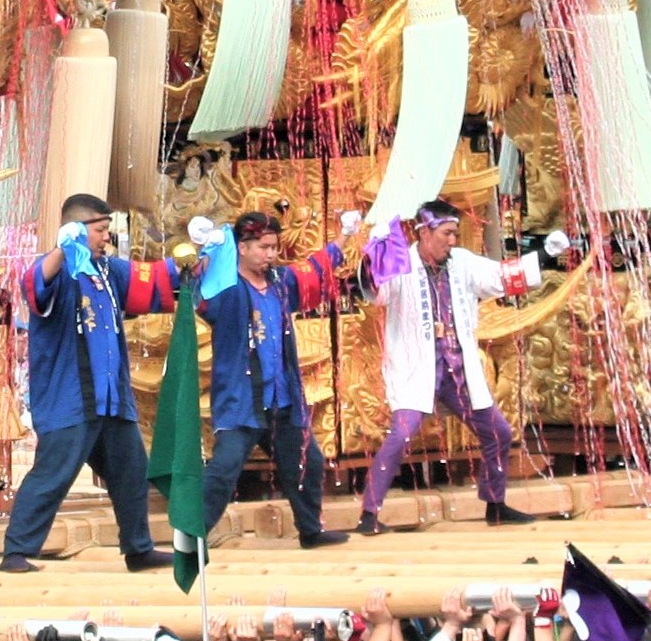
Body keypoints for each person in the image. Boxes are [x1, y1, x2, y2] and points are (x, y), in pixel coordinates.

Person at [355, 201, 557, 533]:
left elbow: (501, 277)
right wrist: (371, 256)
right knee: (401, 434)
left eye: (455, 234)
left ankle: (495, 504)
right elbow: (375, 290)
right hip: (417, 368)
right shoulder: (401, 263)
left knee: (498, 432)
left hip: (457, 369)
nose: (452, 240)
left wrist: (545, 254)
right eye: (447, 233)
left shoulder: (461, 262)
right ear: (425, 231)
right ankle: (369, 514)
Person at [2, 195, 174, 575]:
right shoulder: (57, 269)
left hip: (111, 398)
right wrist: (63, 250)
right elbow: (32, 285)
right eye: (99, 230)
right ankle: (16, 551)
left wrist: (196, 261)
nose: (106, 238)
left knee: (132, 472)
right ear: (77, 230)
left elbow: (155, 281)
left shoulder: (108, 270)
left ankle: (138, 548)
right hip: (72, 398)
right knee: (53, 474)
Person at [193, 210, 350, 549]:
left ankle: (311, 531)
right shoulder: (226, 287)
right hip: (242, 400)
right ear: (243, 247)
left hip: (282, 398)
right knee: (224, 469)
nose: (270, 254)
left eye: (274, 247)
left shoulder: (280, 282)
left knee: (309, 463)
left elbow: (314, 270)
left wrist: (343, 237)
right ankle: (191, 539)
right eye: (263, 247)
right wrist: (206, 251)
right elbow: (198, 295)